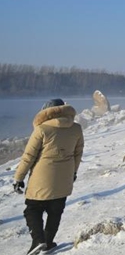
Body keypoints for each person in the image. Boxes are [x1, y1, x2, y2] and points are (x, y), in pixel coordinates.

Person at [13, 99, 84, 254]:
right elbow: (78, 154)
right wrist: (73, 172)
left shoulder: (42, 129)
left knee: (32, 209)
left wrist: (18, 178)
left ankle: (38, 241)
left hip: (41, 179)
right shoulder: (76, 129)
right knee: (56, 211)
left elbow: (28, 156)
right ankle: (49, 241)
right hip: (64, 179)